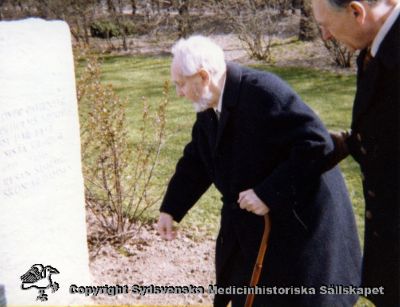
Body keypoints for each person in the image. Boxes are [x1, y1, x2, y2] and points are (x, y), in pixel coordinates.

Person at [157, 35, 361, 307]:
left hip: (305, 225)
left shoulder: (264, 93)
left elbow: (317, 144)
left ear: (204, 76)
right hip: (259, 222)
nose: (179, 92)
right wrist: (171, 208)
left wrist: (267, 193)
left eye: (181, 84)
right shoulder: (210, 106)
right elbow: (198, 160)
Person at [312, 0, 400, 306]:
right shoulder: (376, 47)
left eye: (326, 25)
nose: (325, 36)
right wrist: (347, 144)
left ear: (356, 11)